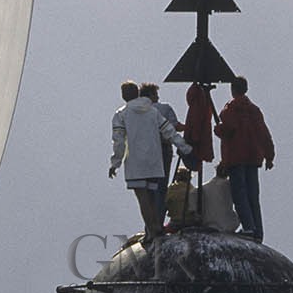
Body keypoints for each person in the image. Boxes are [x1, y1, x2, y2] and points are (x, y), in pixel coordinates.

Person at [110, 80, 193, 243]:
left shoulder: (121, 114)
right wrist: (185, 147)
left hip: (136, 163)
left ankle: (152, 230)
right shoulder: (153, 112)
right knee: (155, 195)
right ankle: (156, 226)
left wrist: (115, 163)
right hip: (155, 161)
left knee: (143, 198)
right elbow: (169, 131)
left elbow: (119, 141)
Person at [213, 75, 275, 243]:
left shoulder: (230, 109)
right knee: (253, 195)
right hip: (253, 157)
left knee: (240, 195)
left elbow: (229, 129)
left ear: (233, 90)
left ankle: (248, 227)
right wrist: (269, 156)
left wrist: (217, 130)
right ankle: (258, 231)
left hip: (236, 157)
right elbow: (264, 133)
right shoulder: (254, 110)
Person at [141, 83, 182, 218]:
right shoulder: (164, 108)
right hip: (163, 149)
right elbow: (175, 126)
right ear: (152, 95)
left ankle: (150, 225)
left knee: (149, 189)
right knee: (161, 187)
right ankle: (158, 221)